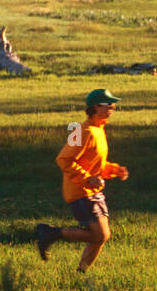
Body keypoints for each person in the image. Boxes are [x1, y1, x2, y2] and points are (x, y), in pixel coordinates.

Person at [34, 88, 128, 270]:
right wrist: (87, 179)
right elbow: (63, 160)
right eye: (108, 104)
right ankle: (51, 233)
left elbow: (95, 164)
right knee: (100, 235)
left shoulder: (99, 130)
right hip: (80, 192)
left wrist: (114, 170)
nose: (113, 107)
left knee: (101, 236)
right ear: (95, 107)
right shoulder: (81, 131)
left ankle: (81, 273)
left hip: (93, 190)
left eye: (113, 104)